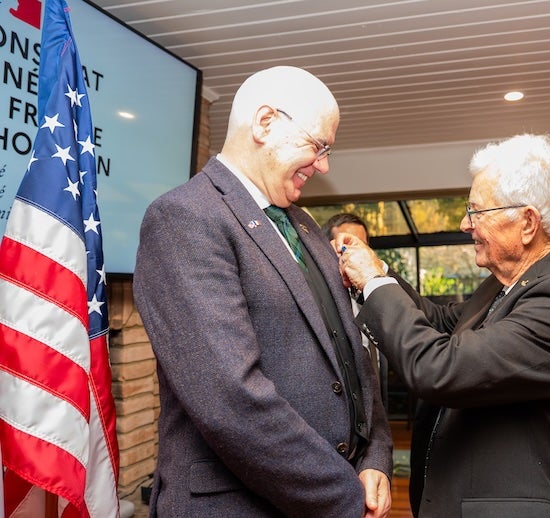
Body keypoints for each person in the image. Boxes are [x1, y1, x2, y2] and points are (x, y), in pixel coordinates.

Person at [133, 66, 392, 518]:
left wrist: (375, 458)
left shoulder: (305, 226)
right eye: (318, 145)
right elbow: (230, 399)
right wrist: (344, 497)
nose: (324, 164)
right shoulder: (184, 217)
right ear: (265, 123)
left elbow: (353, 356)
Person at [336, 133, 550, 517]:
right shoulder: (509, 282)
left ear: (527, 223)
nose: (464, 223)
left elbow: (441, 368)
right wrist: (378, 273)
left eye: (476, 211)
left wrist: (374, 283)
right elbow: (437, 321)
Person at [322, 213, 390, 411]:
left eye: (363, 247)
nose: (355, 256)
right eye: (347, 248)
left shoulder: (377, 293)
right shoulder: (321, 301)